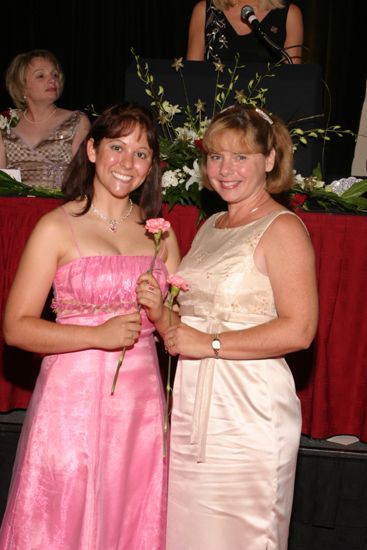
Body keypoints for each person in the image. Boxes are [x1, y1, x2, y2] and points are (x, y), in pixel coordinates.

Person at [0, 102, 180, 549]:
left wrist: (160, 314)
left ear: (151, 166)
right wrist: (95, 337)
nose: (128, 162)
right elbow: (16, 328)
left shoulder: (162, 234)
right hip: (70, 406)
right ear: (94, 150)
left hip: (140, 409)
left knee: (130, 514)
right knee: (60, 516)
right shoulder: (55, 228)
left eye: (141, 153)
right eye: (117, 147)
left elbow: (178, 332)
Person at [141, 105, 318, 549]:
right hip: (192, 408)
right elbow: (187, 327)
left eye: (241, 157)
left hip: (249, 413)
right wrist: (162, 314)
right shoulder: (210, 228)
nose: (225, 169)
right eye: (216, 156)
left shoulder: (283, 228)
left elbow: (300, 331)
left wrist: (210, 342)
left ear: (271, 160)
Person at [0, 49, 91, 189]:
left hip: (61, 208)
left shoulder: (77, 121)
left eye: (55, 74)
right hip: (15, 209)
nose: (52, 80)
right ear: (22, 87)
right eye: (41, 76)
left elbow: (83, 181)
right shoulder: (4, 124)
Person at [186, 0, 304, 64]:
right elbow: (192, 78)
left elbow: (292, 81)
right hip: (215, 107)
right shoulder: (204, 11)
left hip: (270, 107)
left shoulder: (289, 14)